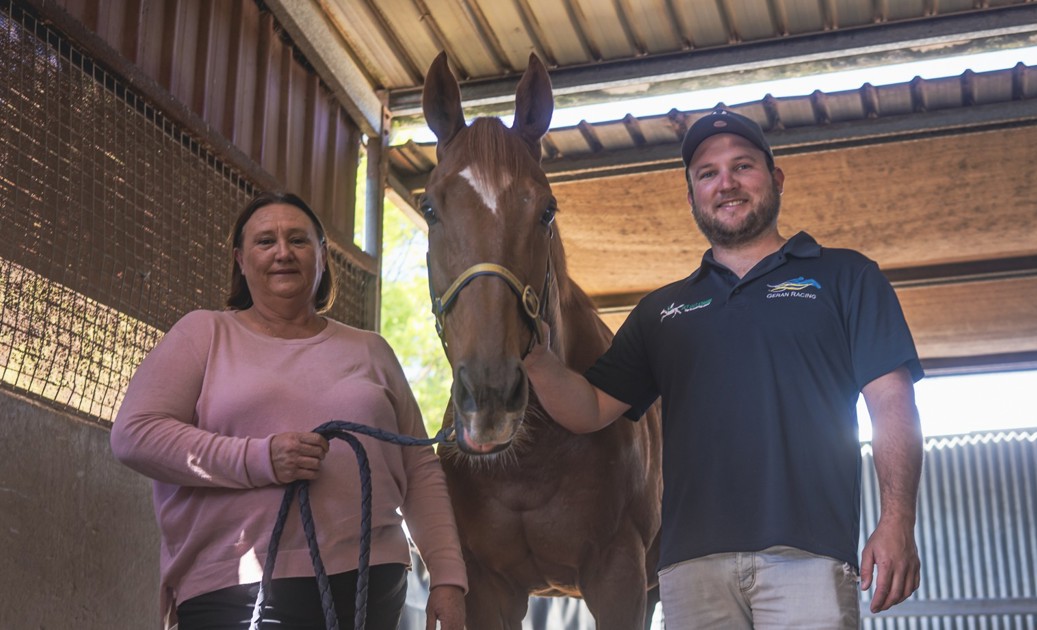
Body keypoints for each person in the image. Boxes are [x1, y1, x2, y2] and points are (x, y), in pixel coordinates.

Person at [523, 110, 924, 628]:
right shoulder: (660, 312)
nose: (726, 183)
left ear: (776, 179)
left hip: (809, 557)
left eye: (743, 166)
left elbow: (892, 403)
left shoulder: (847, 277)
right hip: (692, 569)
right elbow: (591, 409)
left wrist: (898, 520)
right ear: (691, 198)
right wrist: (534, 357)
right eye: (707, 174)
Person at [111, 192, 467, 630]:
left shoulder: (371, 350)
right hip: (234, 586)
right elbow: (134, 434)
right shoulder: (204, 333)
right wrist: (260, 459)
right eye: (266, 241)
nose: (283, 252)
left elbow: (419, 467)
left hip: (371, 582)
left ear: (323, 256)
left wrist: (448, 578)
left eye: (298, 240)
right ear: (241, 260)